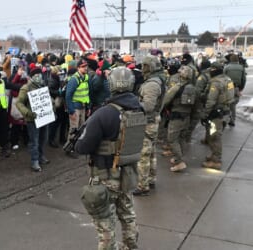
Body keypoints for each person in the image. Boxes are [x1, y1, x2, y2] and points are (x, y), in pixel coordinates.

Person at [75, 66, 144, 250]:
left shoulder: (104, 114)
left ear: (111, 84)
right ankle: (131, 246)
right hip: (128, 172)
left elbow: (83, 147)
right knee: (128, 215)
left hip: (105, 176)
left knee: (105, 224)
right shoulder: (139, 108)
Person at [133, 55, 166, 196]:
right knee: (151, 153)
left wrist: (133, 103)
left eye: (145, 66)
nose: (142, 68)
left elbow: (147, 106)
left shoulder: (152, 84)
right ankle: (151, 179)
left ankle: (142, 185)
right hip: (153, 121)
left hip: (148, 122)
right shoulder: (157, 80)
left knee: (144, 155)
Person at [162, 65, 196, 172]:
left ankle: (180, 162)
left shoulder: (177, 87)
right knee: (181, 138)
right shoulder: (193, 88)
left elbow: (166, 100)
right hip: (187, 117)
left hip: (176, 116)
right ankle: (178, 157)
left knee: (172, 139)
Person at [16, 66, 50, 172]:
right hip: (32, 120)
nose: (38, 77)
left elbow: (48, 99)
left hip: (44, 118)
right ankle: (34, 161)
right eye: (36, 75)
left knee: (43, 139)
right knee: (34, 141)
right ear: (31, 77)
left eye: (40, 74)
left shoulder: (43, 85)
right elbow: (19, 103)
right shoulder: (26, 88)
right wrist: (28, 113)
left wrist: (52, 109)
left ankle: (41, 156)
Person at [201, 62, 232, 169]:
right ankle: (214, 155)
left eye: (212, 69)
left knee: (214, 137)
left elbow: (211, 101)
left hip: (216, 113)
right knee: (215, 136)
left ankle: (216, 161)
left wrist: (205, 114)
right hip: (225, 111)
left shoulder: (216, 83)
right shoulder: (227, 79)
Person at [64, 59, 90, 158]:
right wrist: (71, 111)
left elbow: (87, 93)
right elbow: (68, 96)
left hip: (83, 107)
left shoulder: (86, 77)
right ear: (78, 68)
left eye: (86, 66)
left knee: (81, 129)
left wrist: (88, 107)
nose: (85, 68)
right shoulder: (74, 79)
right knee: (73, 129)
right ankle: (68, 149)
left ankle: (76, 147)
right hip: (75, 108)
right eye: (83, 66)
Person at [223, 54, 246, 127]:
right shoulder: (241, 67)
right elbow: (244, 79)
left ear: (230, 60)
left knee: (225, 104)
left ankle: (224, 119)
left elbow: (223, 77)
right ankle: (232, 120)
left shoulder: (227, 67)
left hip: (228, 87)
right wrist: (241, 88)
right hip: (236, 87)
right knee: (233, 105)